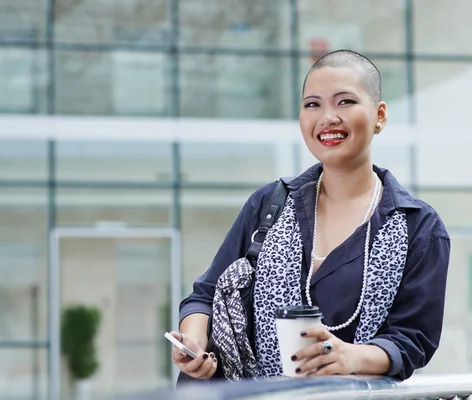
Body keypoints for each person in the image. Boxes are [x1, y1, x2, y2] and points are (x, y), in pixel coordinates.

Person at [170, 49, 450, 382]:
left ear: (380, 115)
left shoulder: (419, 227)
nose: (327, 118)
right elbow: (205, 295)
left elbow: (412, 340)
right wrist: (194, 342)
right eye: (312, 104)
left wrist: (348, 357)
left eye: (344, 102)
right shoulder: (269, 204)